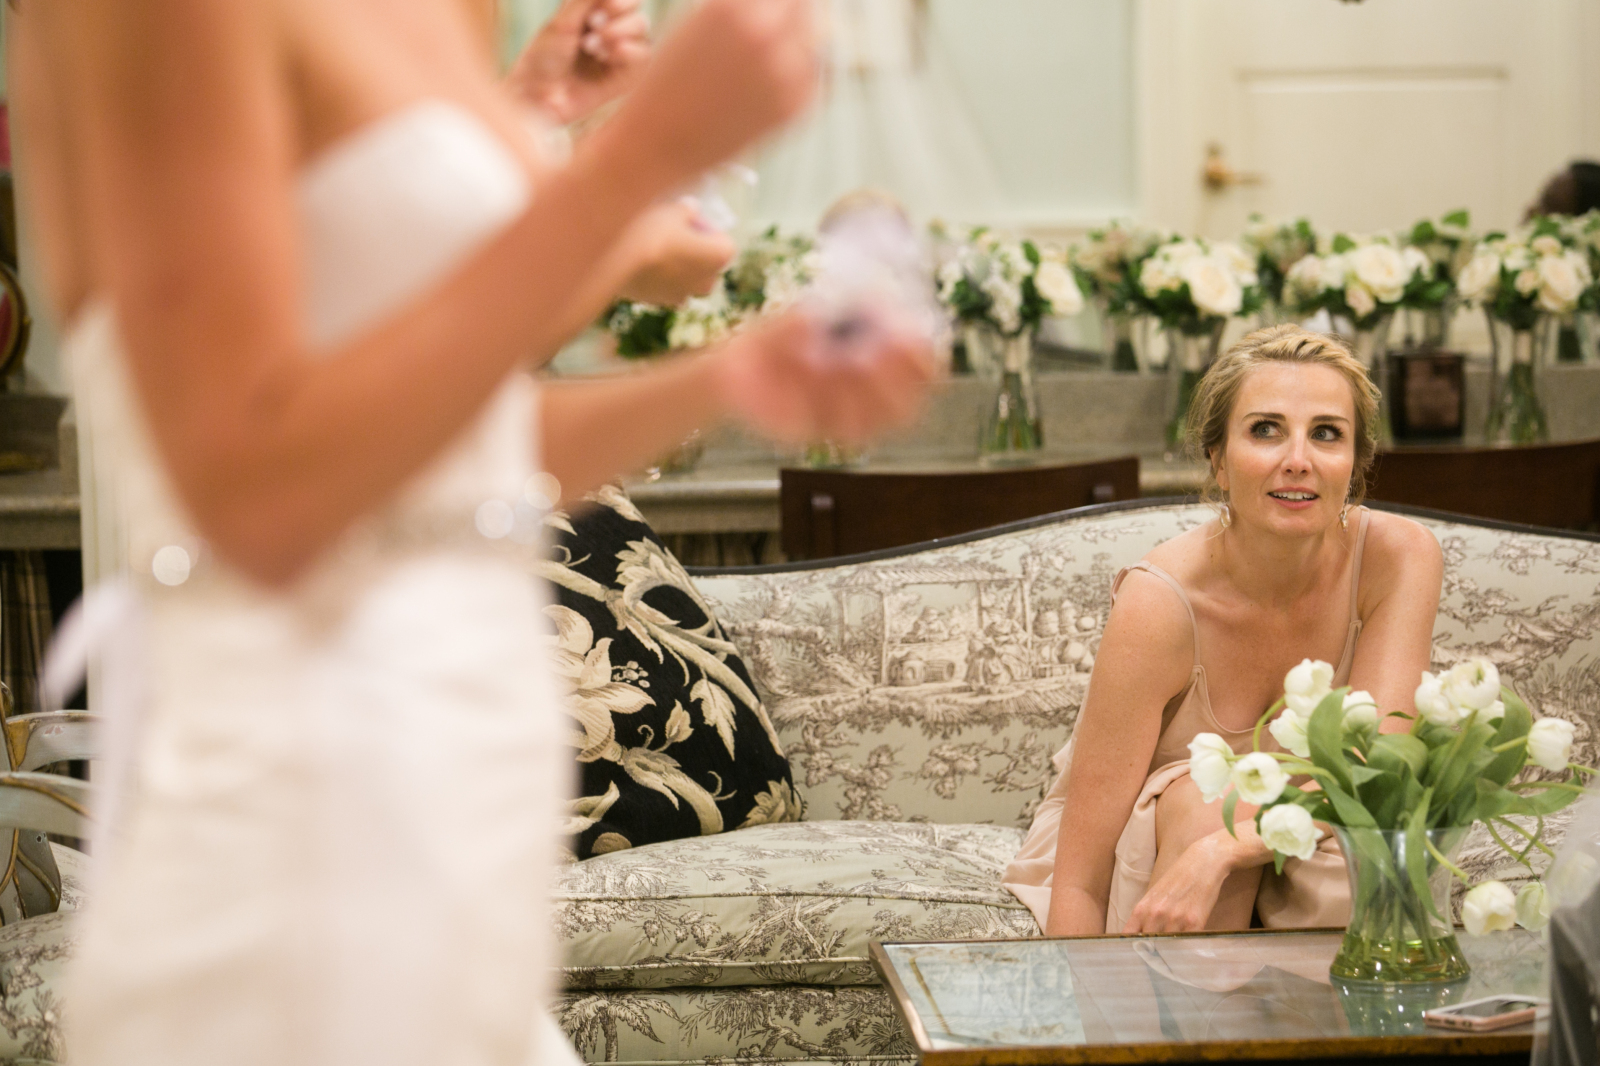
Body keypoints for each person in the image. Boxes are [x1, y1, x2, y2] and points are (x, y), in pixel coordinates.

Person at [7, 0, 937, 1064]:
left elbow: (458, 444)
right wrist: (636, 157)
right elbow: (257, 494)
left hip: (464, 810)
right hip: (301, 824)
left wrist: (734, 374)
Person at [1003, 325, 1443, 936]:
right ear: (1218, 460)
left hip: (1308, 833)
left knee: (1369, 852)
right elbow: (1083, 876)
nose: (1298, 459)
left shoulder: (1399, 557)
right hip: (1150, 841)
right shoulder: (1160, 601)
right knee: (1217, 806)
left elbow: (1377, 771)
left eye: (1326, 433)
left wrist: (1226, 852)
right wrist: (1074, 993)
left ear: (1354, 462)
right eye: (1265, 430)